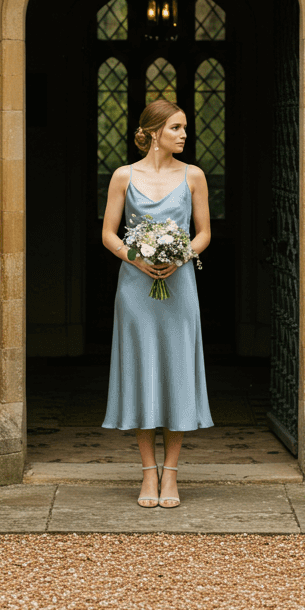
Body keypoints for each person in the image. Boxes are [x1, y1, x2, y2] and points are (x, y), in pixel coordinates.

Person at [101, 99, 213, 509]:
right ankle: (149, 473)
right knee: (142, 371)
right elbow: (109, 234)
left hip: (180, 287)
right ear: (153, 133)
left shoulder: (194, 176)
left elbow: (202, 233)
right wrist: (137, 258)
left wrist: (179, 255)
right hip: (135, 288)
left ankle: (173, 474)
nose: (184, 135)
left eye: (184, 128)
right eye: (177, 128)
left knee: (177, 372)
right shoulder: (123, 176)